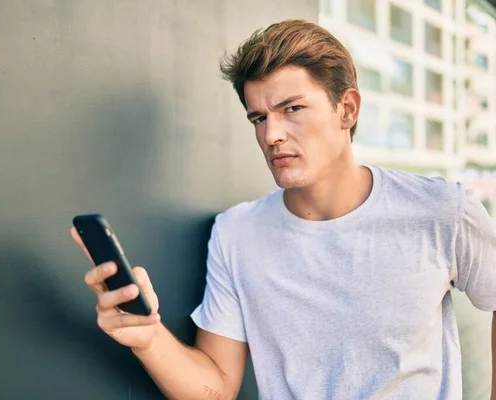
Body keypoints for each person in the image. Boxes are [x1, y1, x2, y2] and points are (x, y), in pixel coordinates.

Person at [71, 19, 496, 399]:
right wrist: (147, 337)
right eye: (258, 118)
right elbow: (214, 388)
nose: (272, 134)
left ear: (346, 109)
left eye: (291, 109)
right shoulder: (236, 232)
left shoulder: (442, 210)